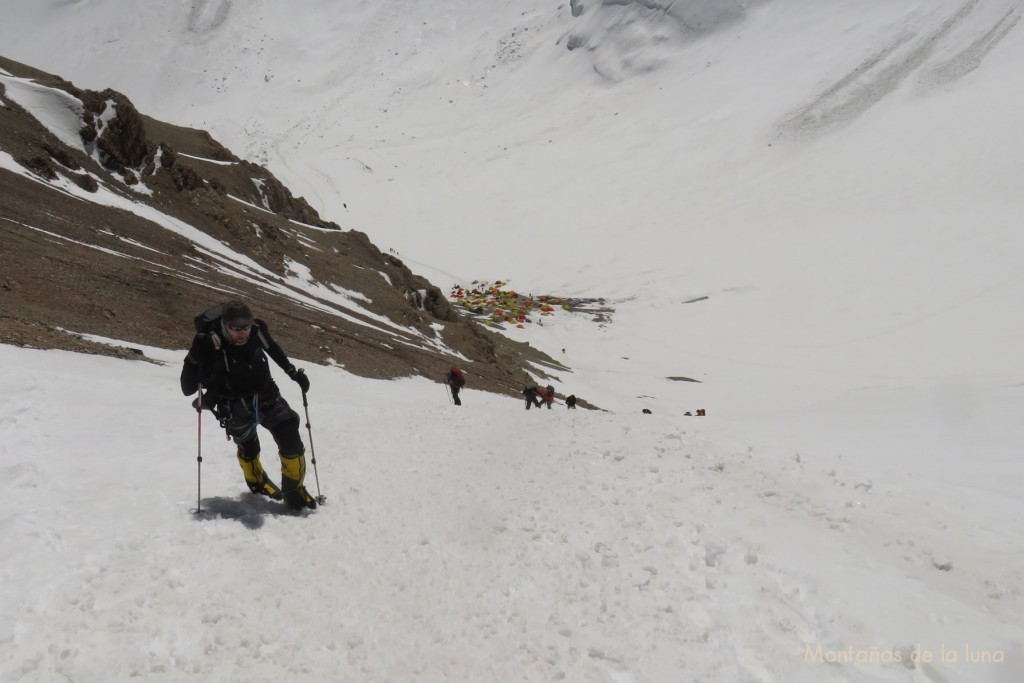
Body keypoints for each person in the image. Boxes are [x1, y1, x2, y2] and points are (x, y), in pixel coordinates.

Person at [180, 301, 317, 510]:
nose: (242, 332)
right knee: (249, 447)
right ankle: (256, 481)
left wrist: (292, 372)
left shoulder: (257, 331)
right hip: (233, 404)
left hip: (267, 394)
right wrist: (193, 356)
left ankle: (294, 492)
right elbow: (187, 388)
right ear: (225, 325)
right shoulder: (211, 343)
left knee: (291, 438)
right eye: (236, 328)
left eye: (246, 326)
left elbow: (272, 347)